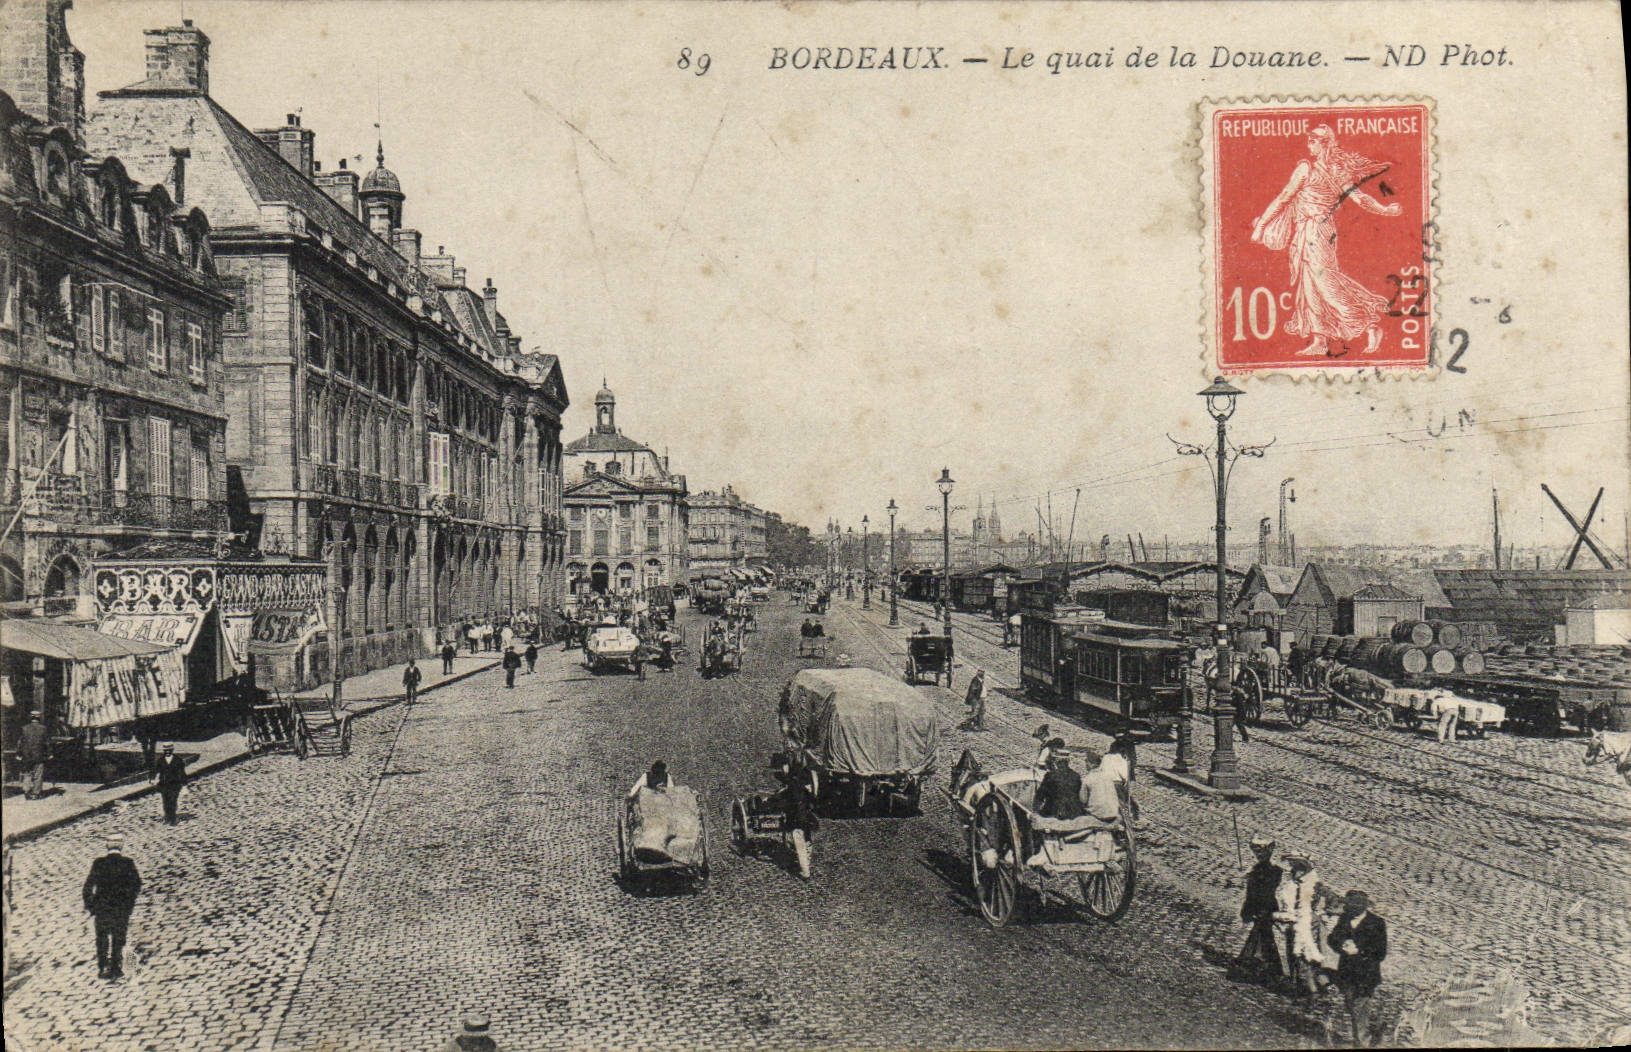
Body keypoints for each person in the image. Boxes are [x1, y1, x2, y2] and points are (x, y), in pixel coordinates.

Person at [1250, 125, 1404, 357]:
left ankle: (1369, 325)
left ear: (1323, 144)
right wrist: (1386, 210)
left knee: (1326, 283)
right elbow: (1285, 197)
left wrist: (1385, 210)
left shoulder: (1318, 169)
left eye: (1312, 141)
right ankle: (1319, 340)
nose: (1308, 145)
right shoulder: (1319, 169)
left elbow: (1358, 198)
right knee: (1309, 284)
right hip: (1306, 231)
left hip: (1318, 232)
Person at [1328, 890, 1388, 1047]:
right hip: (1347, 973)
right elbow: (1332, 938)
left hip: (1366, 975)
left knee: (1359, 1007)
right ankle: (1371, 1029)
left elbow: (1380, 953)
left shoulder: (1377, 923)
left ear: (1362, 908)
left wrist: (1359, 951)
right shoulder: (1345, 919)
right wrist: (1342, 945)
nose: (1347, 910)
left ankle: (1362, 1043)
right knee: (1351, 1006)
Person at [83, 836, 142, 980]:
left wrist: (91, 906)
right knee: (118, 937)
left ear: (107, 847)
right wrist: (129, 904)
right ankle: (116, 967)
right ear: (121, 847)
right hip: (121, 908)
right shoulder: (128, 863)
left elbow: (88, 887)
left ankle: (103, 967)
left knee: (102, 937)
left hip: (102, 908)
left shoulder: (99, 863)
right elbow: (136, 884)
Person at [1275, 853, 1323, 1001]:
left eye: (1297, 867)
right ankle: (1296, 984)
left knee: (1304, 956)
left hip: (1306, 924)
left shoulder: (1312, 884)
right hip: (1293, 923)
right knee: (1292, 954)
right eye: (1293, 866)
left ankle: (1310, 990)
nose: (1293, 870)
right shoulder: (1292, 884)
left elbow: (1309, 906)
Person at [1237, 836, 1285, 980]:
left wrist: (1250, 878)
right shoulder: (1274, 870)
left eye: (1260, 851)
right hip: (1267, 906)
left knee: (1261, 935)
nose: (1257, 854)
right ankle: (1270, 967)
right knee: (1264, 936)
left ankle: (1256, 966)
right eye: (1256, 851)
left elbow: (1256, 892)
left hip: (1261, 906)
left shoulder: (1262, 871)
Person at [773, 752, 820, 879]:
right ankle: (808, 860)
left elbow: (783, 798)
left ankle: (805, 871)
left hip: (797, 818)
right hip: (807, 816)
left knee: (799, 842)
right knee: (807, 839)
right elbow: (812, 797)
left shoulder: (792, 784)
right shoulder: (804, 782)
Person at [1031, 749, 1085, 820]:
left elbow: (1040, 795)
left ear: (1056, 761)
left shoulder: (1050, 775)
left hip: (1054, 812)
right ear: (1068, 762)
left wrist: (1035, 811)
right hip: (1074, 813)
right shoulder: (1076, 776)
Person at [153, 743, 188, 825]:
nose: (167, 752)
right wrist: (155, 779)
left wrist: (184, 785)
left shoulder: (178, 760)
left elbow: (182, 773)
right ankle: (167, 817)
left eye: (169, 750)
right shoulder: (160, 760)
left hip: (175, 784)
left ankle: (172, 819)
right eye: (166, 750)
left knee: (173, 800)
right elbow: (157, 772)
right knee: (166, 801)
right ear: (163, 751)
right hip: (164, 784)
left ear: (172, 750)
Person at [18, 712, 48, 800]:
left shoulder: (24, 728)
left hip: (26, 755)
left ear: (30, 718)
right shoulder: (43, 728)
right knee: (38, 775)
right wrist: (49, 753)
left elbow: (20, 742)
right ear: (39, 718)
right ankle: (36, 794)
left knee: (27, 774)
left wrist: (19, 753)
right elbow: (46, 742)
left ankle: (26, 792)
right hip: (39, 755)